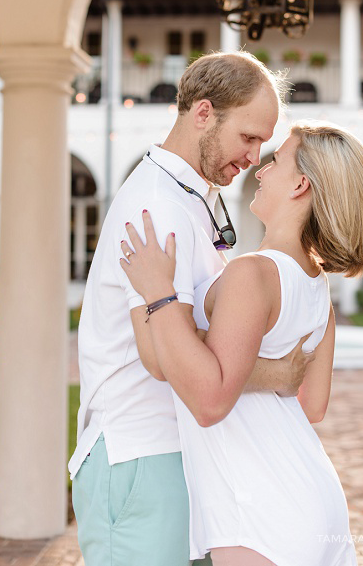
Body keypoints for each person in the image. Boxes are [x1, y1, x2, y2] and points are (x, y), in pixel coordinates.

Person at [70, 52, 314, 566]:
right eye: (248, 138)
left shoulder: (191, 196)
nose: (254, 157)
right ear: (203, 113)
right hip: (140, 454)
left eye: (263, 144)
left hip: (175, 454)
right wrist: (273, 373)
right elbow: (160, 357)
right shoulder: (157, 204)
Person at [120, 122, 363, 565]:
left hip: (260, 512)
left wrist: (159, 293)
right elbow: (312, 404)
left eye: (276, 160)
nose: (259, 170)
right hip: (315, 497)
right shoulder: (318, 291)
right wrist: (270, 372)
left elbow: (209, 401)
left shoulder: (252, 274)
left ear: (301, 184)